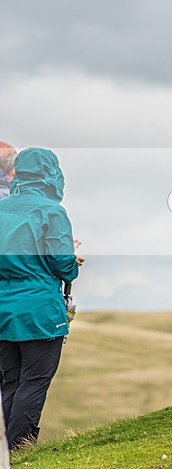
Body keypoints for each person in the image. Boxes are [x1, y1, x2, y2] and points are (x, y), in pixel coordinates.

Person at [0, 148, 83, 450]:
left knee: (10, 382)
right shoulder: (51, 211)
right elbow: (63, 266)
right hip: (39, 310)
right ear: (51, 173)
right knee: (34, 382)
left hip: (2, 308)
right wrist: (73, 260)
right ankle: (20, 449)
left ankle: (5, 454)